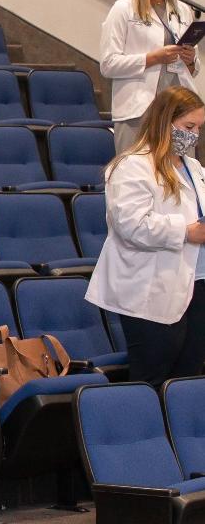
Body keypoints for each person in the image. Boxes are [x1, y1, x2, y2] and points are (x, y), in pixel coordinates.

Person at [86, 86, 205, 390]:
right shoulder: (131, 165)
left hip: (196, 283)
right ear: (165, 121)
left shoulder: (193, 167)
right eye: (188, 127)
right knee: (152, 377)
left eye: (199, 129)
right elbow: (130, 225)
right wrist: (186, 231)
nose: (194, 136)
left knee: (187, 376)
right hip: (150, 288)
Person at [101, 0, 198, 154]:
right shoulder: (123, 9)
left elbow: (193, 69)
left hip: (178, 110)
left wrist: (190, 59)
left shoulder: (182, 10)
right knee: (135, 174)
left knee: (181, 178)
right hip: (139, 110)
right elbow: (108, 64)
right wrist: (153, 58)